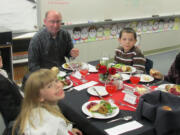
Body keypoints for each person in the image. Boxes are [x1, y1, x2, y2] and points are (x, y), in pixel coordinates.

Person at [12, 69, 83, 135]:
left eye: (56, 81)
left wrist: (67, 131)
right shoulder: (51, 121)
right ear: (39, 97)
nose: (58, 86)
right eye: (49, 86)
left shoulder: (40, 108)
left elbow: (59, 130)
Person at [0, 50, 23, 127]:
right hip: (19, 121)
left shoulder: (2, 74)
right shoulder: (1, 83)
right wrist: (29, 105)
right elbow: (11, 114)